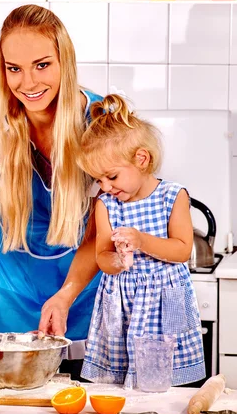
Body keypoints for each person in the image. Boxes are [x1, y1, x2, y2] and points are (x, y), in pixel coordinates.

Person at [0, 4, 103, 378]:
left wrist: (67, 294)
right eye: (13, 68)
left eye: (42, 65)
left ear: (64, 60)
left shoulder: (99, 120)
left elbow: (104, 229)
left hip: (84, 292)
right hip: (12, 296)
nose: (28, 83)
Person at [76, 93, 205, 388]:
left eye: (111, 177)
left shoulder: (173, 196)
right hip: (122, 305)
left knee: (166, 384)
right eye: (99, 181)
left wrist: (141, 241)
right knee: (120, 388)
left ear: (142, 159)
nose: (105, 187)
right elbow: (101, 258)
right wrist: (119, 261)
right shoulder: (105, 205)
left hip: (163, 301)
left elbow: (182, 250)